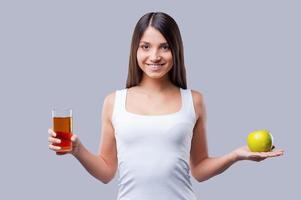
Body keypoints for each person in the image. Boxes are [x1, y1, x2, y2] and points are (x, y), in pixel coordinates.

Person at [48, 12, 284, 200]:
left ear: (175, 50)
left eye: (164, 46)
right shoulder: (114, 101)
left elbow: (199, 169)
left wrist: (236, 155)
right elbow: (107, 171)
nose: (155, 56)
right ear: (135, 50)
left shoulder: (194, 100)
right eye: (146, 46)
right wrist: (77, 150)